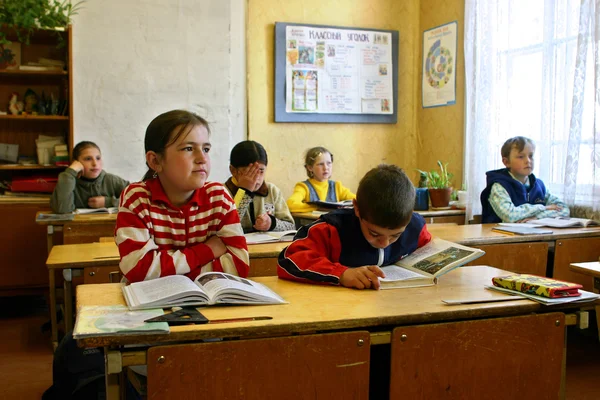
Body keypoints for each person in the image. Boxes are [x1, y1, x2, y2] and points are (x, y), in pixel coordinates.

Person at [115, 110, 249, 283]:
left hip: (211, 303)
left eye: (206, 149)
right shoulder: (137, 198)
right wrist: (206, 251)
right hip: (151, 304)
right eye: (188, 148)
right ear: (155, 161)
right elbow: (139, 270)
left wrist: (165, 267)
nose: (202, 158)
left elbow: (238, 266)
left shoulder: (219, 196)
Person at [278, 164, 432, 290]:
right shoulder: (331, 230)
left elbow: (430, 249)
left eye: (395, 235)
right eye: (374, 233)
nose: (384, 243)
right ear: (357, 209)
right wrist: (341, 274)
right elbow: (290, 260)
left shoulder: (415, 228)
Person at [480, 136, 569, 223]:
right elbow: (510, 216)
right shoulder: (499, 186)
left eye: (531, 156)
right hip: (500, 236)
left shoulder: (539, 185)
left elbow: (564, 210)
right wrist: (543, 208)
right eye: (521, 157)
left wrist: (537, 217)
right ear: (506, 162)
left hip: (534, 234)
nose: (528, 161)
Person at [224, 140, 295, 233]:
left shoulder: (272, 191)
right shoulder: (222, 192)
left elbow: (291, 226)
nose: (256, 178)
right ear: (233, 170)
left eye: (261, 171)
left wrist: (272, 223)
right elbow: (226, 226)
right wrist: (244, 191)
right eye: (249, 172)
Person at [50, 141, 129, 214]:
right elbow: (62, 210)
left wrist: (108, 202)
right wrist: (70, 172)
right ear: (76, 162)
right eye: (88, 159)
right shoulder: (68, 182)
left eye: (98, 158)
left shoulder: (111, 180)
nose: (95, 163)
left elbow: (138, 199)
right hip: (77, 228)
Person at [286, 146, 356, 213]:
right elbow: (291, 204)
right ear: (310, 167)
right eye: (320, 164)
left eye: (329, 163)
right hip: (313, 224)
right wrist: (317, 207)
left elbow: (357, 200)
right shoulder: (303, 187)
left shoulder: (337, 187)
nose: (326, 168)